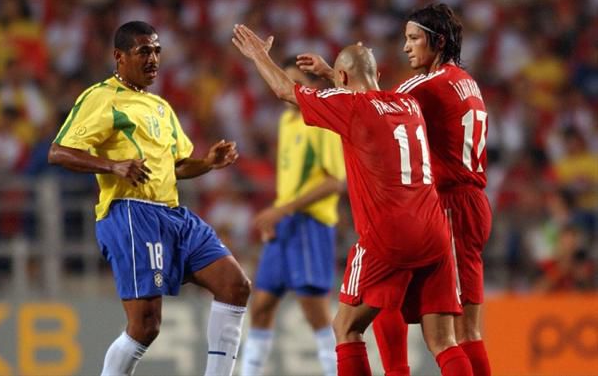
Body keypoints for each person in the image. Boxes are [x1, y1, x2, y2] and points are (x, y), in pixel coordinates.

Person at [232, 24, 472, 376]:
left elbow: (286, 90)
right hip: (435, 232)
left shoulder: (352, 107)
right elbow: (365, 89)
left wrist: (259, 56)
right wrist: (333, 73)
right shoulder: (407, 103)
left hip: (387, 235)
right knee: (443, 341)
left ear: (343, 76)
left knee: (346, 327)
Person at [296, 4, 492, 376]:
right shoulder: (467, 81)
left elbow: (374, 105)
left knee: (412, 310)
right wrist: (334, 74)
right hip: (474, 202)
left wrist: (340, 77)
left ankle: (397, 371)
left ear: (439, 42)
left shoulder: (421, 86)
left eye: (414, 38)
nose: (406, 48)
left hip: (444, 205)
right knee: (465, 330)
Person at [48, 21, 251, 376]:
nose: (153, 58)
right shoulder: (102, 97)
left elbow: (177, 166)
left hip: (172, 214)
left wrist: (208, 163)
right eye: (144, 51)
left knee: (235, 286)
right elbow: (59, 152)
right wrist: (114, 166)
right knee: (145, 326)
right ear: (119, 56)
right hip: (130, 213)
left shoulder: (159, 106)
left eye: (157, 50)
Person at [239, 58, 346, 376]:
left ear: (311, 86)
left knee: (314, 311)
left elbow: (334, 181)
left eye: (295, 81)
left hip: (311, 225)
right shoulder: (287, 121)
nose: (286, 88)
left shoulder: (323, 121)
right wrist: (276, 217)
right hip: (284, 226)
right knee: (261, 307)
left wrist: (282, 210)